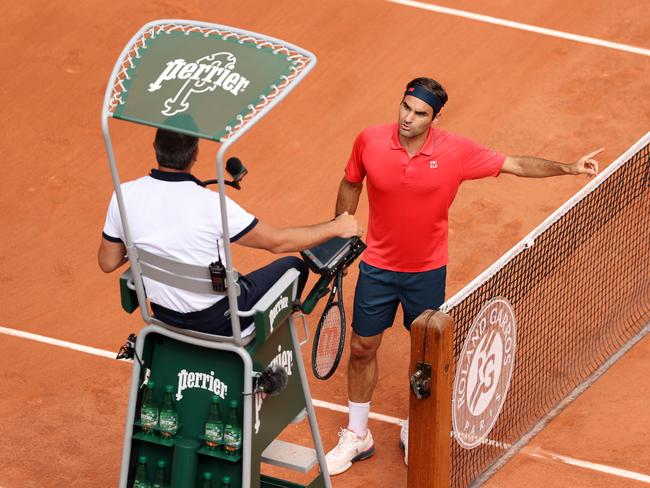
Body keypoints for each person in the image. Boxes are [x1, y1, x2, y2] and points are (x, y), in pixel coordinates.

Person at [325, 77, 601, 475]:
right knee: (362, 348)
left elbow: (516, 165)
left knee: (426, 358)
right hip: (378, 268)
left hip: (426, 271)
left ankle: (414, 427)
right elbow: (351, 181)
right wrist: (340, 233)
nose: (408, 118)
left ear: (434, 117)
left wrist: (569, 168)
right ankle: (357, 434)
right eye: (405, 107)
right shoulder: (369, 140)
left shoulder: (456, 151)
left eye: (420, 113)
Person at [98, 128, 363, 336]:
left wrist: (149, 245)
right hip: (218, 322)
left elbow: (108, 262)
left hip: (163, 315)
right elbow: (277, 242)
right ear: (195, 154)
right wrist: (336, 227)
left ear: (155, 148)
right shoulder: (213, 205)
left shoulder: (125, 194)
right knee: (294, 267)